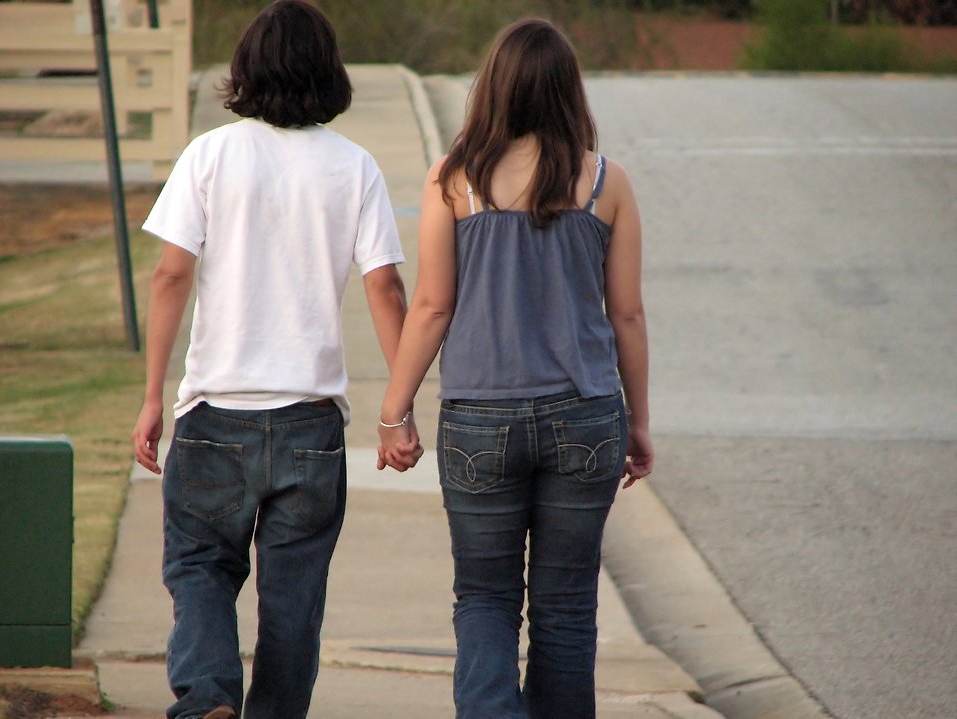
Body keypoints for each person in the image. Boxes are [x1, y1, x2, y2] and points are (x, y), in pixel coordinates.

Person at [130, 2, 413, 717]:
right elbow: (385, 285)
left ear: (247, 68)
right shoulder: (355, 168)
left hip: (215, 412)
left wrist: (152, 394)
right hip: (310, 423)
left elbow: (170, 275)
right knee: (294, 597)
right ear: (330, 73)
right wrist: (398, 409)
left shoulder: (210, 155)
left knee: (199, 567)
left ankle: (207, 696)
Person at [376, 18, 654, 719]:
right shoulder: (605, 182)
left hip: (479, 418)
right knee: (565, 606)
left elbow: (434, 305)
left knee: (485, 596)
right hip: (586, 413)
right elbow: (627, 316)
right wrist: (639, 421)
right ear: (569, 91)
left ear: (492, 88)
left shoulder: (454, 180)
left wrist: (394, 410)